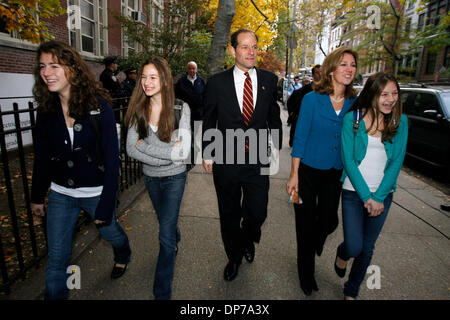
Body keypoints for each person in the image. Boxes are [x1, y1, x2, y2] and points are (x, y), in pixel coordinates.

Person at [30, 41, 131, 300]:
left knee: (112, 234)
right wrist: (37, 196)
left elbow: (111, 158)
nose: (46, 72)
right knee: (57, 260)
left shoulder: (100, 107)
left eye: (54, 65)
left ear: (72, 69)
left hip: (96, 191)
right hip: (61, 194)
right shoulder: (46, 110)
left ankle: (123, 252)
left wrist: (108, 202)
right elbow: (42, 157)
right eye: (42, 66)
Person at [202, 28, 282, 282]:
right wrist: (207, 152)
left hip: (258, 158)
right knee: (229, 213)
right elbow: (209, 118)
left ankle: (248, 239)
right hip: (226, 159)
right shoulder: (216, 83)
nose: (251, 52)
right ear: (232, 50)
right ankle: (233, 257)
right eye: (245, 47)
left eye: (254, 47)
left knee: (257, 213)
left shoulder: (270, 79)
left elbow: (273, 117)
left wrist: (277, 146)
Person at [285, 46, 358, 296]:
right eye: (344, 64)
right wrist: (293, 175)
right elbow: (301, 137)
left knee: (328, 220)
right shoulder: (312, 99)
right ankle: (306, 275)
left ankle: (315, 240)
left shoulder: (354, 103)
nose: (349, 69)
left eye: (353, 65)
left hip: (335, 173)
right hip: (306, 171)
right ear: (331, 70)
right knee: (304, 223)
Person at [334, 72, 408, 300]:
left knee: (367, 249)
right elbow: (348, 161)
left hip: (383, 195)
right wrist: (367, 197)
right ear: (372, 93)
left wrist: (379, 196)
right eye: (384, 94)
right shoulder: (352, 119)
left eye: (394, 94)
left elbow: (397, 161)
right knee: (354, 246)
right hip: (353, 193)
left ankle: (351, 291)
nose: (390, 99)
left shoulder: (400, 121)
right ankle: (342, 252)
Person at [125, 57, 191, 300]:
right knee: (167, 223)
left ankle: (162, 292)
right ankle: (174, 231)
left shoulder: (180, 108)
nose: (147, 82)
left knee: (164, 238)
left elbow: (182, 154)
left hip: (175, 178)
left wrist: (147, 149)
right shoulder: (138, 109)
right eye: (144, 77)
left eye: (153, 77)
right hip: (151, 179)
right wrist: (167, 154)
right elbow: (131, 149)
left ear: (164, 80)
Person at [287, 65, 321, 147]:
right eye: (317, 72)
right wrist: (292, 113)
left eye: (322, 72)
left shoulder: (328, 90)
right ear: (313, 75)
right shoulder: (305, 90)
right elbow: (295, 103)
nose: (320, 74)